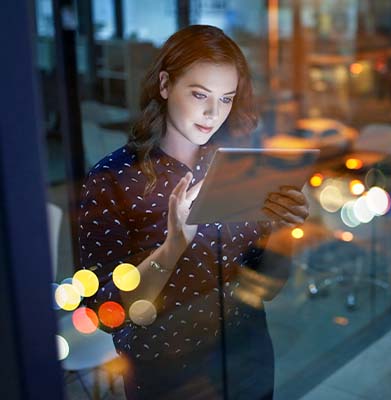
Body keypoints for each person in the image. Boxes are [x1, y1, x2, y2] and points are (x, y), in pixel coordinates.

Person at [78, 25, 309, 399]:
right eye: (199, 94)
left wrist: (283, 229)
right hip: (169, 377)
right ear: (166, 85)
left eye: (226, 98)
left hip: (247, 360)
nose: (212, 113)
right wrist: (173, 247)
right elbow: (105, 311)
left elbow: (265, 288)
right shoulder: (113, 180)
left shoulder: (236, 168)